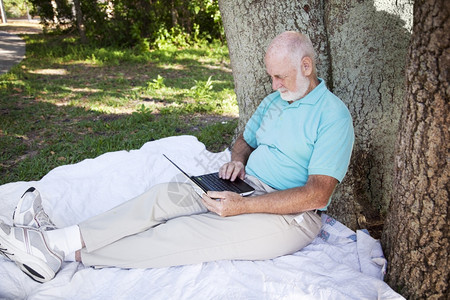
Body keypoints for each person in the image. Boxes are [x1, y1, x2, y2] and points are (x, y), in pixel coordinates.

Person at [0, 31, 354, 283]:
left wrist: (243, 207)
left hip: (290, 216)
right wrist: (238, 161)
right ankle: (60, 240)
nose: (274, 85)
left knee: (185, 232)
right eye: (271, 77)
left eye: (280, 76)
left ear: (306, 66)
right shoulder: (274, 101)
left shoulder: (332, 116)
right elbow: (245, 139)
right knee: (162, 196)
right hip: (245, 186)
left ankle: (65, 254)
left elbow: (317, 194)